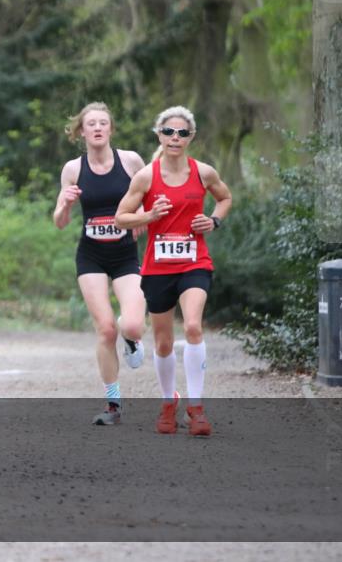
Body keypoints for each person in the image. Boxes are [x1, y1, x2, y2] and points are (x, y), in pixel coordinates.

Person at [115, 106, 232, 437]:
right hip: (158, 268)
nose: (175, 138)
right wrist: (149, 216)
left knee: (193, 326)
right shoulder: (146, 176)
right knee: (164, 342)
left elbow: (225, 198)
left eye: (182, 133)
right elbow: (120, 217)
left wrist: (214, 220)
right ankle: (169, 403)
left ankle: (196, 408)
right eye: (169, 132)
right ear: (159, 135)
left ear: (191, 137)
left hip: (195, 261)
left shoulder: (204, 172)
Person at [53, 102, 148, 426]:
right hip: (91, 255)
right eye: (90, 123)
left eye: (103, 123)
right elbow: (60, 222)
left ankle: (132, 339)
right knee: (105, 329)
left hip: (125, 254)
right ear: (81, 131)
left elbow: (153, 195)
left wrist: (142, 218)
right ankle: (113, 404)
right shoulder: (72, 169)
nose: (97, 128)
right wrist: (65, 204)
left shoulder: (131, 161)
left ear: (110, 128)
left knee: (130, 324)